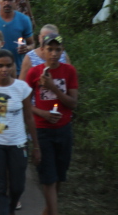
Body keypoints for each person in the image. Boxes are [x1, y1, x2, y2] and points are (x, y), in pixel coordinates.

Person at [0, 49, 40, 215]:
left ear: (13, 66)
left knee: (17, 186)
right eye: (0, 66)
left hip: (18, 143)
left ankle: (9, 210)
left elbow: (29, 118)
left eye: (8, 66)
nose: (4, 69)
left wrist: (36, 146)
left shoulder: (22, 88)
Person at [24, 33, 78, 215]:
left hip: (63, 130)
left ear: (62, 51)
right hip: (42, 131)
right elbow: (24, 103)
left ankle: (48, 211)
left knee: (59, 176)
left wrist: (53, 87)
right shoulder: (34, 72)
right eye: (50, 49)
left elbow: (73, 103)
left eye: (58, 49)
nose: (54, 53)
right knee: (48, 178)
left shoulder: (69, 71)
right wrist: (43, 113)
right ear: (43, 51)